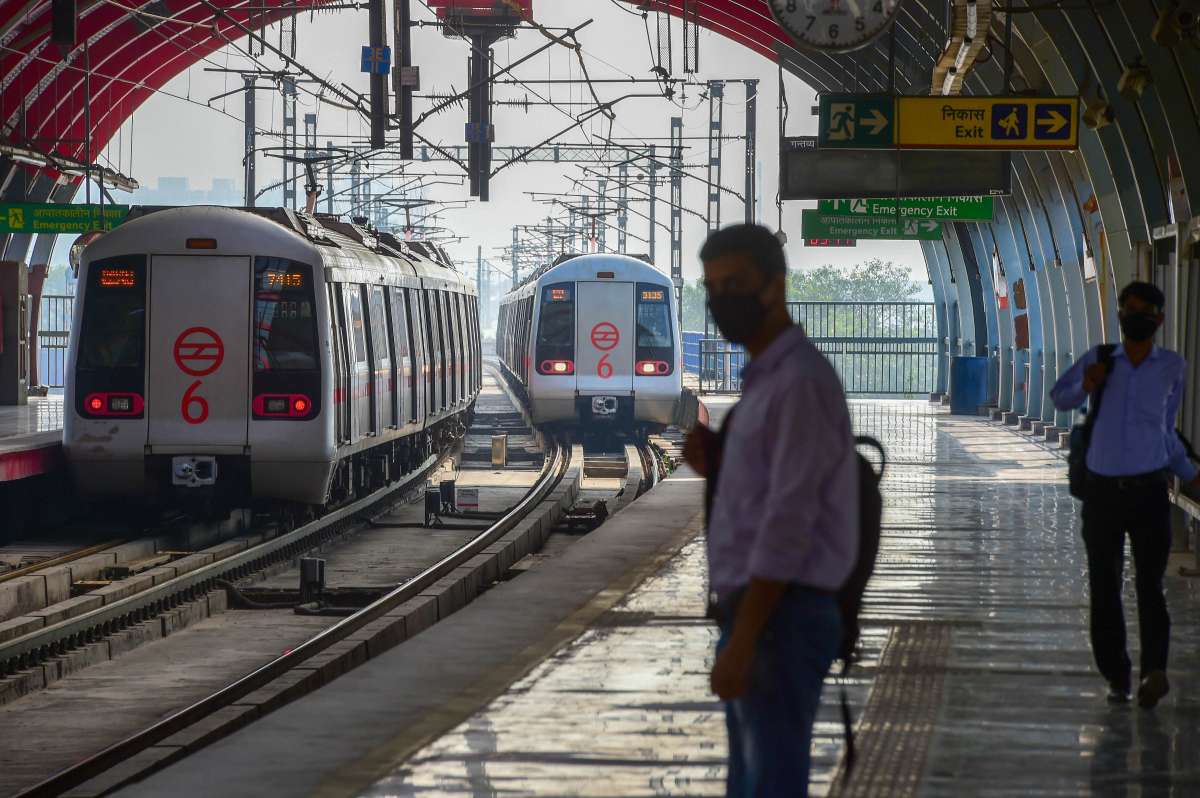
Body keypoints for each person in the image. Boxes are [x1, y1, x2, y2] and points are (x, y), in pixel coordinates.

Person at [683, 224, 859, 796]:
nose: (721, 301)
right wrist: (720, 462)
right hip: (761, 615)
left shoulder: (797, 383)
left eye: (735, 283)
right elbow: (769, 489)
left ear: (774, 287)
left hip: (780, 618)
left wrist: (744, 639)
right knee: (752, 782)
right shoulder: (766, 380)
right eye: (713, 290)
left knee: (770, 784)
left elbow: (789, 521)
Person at [1051, 281, 1200, 708]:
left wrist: (1189, 473)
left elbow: (1167, 431)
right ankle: (1116, 675)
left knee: (1150, 586)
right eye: (1127, 309)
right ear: (1120, 315)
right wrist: (1086, 384)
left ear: (1158, 318)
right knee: (1105, 587)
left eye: (1143, 310)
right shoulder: (1101, 360)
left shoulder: (1172, 367)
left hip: (1150, 492)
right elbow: (1060, 398)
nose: (1134, 316)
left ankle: (1155, 670)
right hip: (1102, 495)